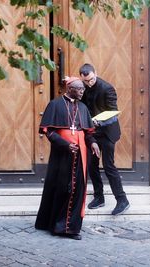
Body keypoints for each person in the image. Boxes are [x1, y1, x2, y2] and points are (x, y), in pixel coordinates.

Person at [35, 77, 100, 240]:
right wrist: (64, 144)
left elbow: (88, 132)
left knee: (77, 189)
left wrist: (93, 143)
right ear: (70, 88)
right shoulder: (55, 105)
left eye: (83, 89)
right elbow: (48, 131)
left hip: (80, 155)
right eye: (79, 89)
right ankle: (56, 225)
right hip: (61, 156)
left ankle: (71, 228)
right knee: (62, 188)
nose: (82, 92)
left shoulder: (83, 107)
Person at [79, 63, 130, 215]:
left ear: (96, 73)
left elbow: (113, 113)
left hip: (107, 132)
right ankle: (99, 197)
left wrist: (98, 122)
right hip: (92, 133)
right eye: (86, 81)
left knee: (108, 166)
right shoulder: (83, 85)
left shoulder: (107, 88)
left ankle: (122, 200)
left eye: (91, 80)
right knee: (92, 166)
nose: (89, 83)